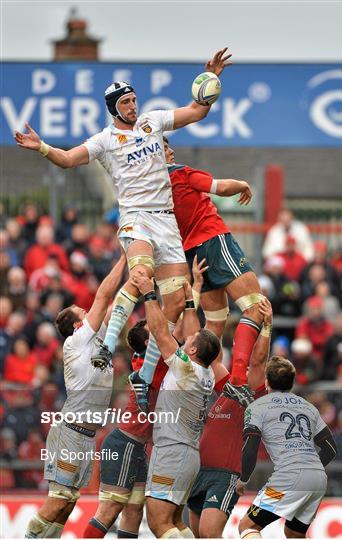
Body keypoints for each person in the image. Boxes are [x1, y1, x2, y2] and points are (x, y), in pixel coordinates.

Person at [14, 50, 232, 417]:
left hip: (166, 221)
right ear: (114, 108)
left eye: (134, 99)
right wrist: (44, 148)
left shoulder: (153, 122)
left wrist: (209, 80)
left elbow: (197, 112)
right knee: (141, 273)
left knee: (176, 303)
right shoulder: (103, 140)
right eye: (127, 102)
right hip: (136, 219)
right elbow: (68, 160)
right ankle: (106, 343)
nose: (133, 105)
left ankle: (144, 375)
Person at [24, 251, 126, 539]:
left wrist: (135, 281)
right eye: (82, 312)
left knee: (68, 503)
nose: (88, 311)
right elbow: (104, 297)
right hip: (71, 431)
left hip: (86, 434)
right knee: (58, 499)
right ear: (77, 325)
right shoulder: (77, 340)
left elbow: (115, 305)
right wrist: (123, 259)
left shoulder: (94, 341)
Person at [163, 137, 266, 391]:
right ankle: (241, 380)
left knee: (215, 325)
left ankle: (220, 390)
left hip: (191, 254)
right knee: (258, 309)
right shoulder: (179, 174)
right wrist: (242, 184)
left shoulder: (147, 188)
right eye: (165, 147)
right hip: (213, 240)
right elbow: (220, 187)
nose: (172, 150)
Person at [129, 271, 219, 539]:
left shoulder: (185, 369)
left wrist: (149, 293)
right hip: (188, 453)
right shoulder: (206, 372)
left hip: (171, 451)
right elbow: (194, 335)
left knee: (158, 521)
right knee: (176, 522)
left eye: (190, 342)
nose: (186, 339)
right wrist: (194, 295)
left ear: (192, 351)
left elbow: (159, 331)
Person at [187, 298, 272, 539]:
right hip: (200, 470)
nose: (242, 367)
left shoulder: (253, 396)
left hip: (225, 474)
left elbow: (257, 362)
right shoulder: (228, 389)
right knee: (199, 535)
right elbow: (211, 359)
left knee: (208, 533)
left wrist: (266, 327)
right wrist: (216, 311)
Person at [237, 356, 337, 539]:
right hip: (318, 479)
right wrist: (309, 469)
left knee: (247, 526)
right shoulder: (309, 407)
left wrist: (243, 479)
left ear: (266, 381)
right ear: (292, 382)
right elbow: (331, 448)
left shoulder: (257, 407)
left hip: (288, 479)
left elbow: (250, 448)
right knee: (293, 533)